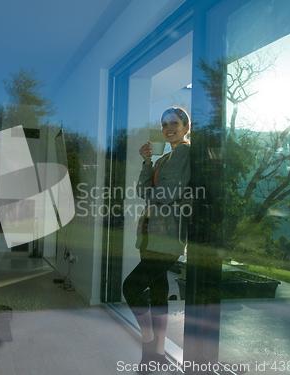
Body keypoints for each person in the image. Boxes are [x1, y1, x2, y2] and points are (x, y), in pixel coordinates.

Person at [123, 107, 190, 374]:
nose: (168, 128)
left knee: (132, 287)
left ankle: (148, 346)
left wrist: (155, 193)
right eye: (164, 124)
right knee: (159, 292)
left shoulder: (185, 152)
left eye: (174, 123)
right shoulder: (164, 159)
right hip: (150, 236)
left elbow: (167, 193)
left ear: (186, 125)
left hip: (167, 238)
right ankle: (157, 356)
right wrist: (148, 162)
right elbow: (142, 191)